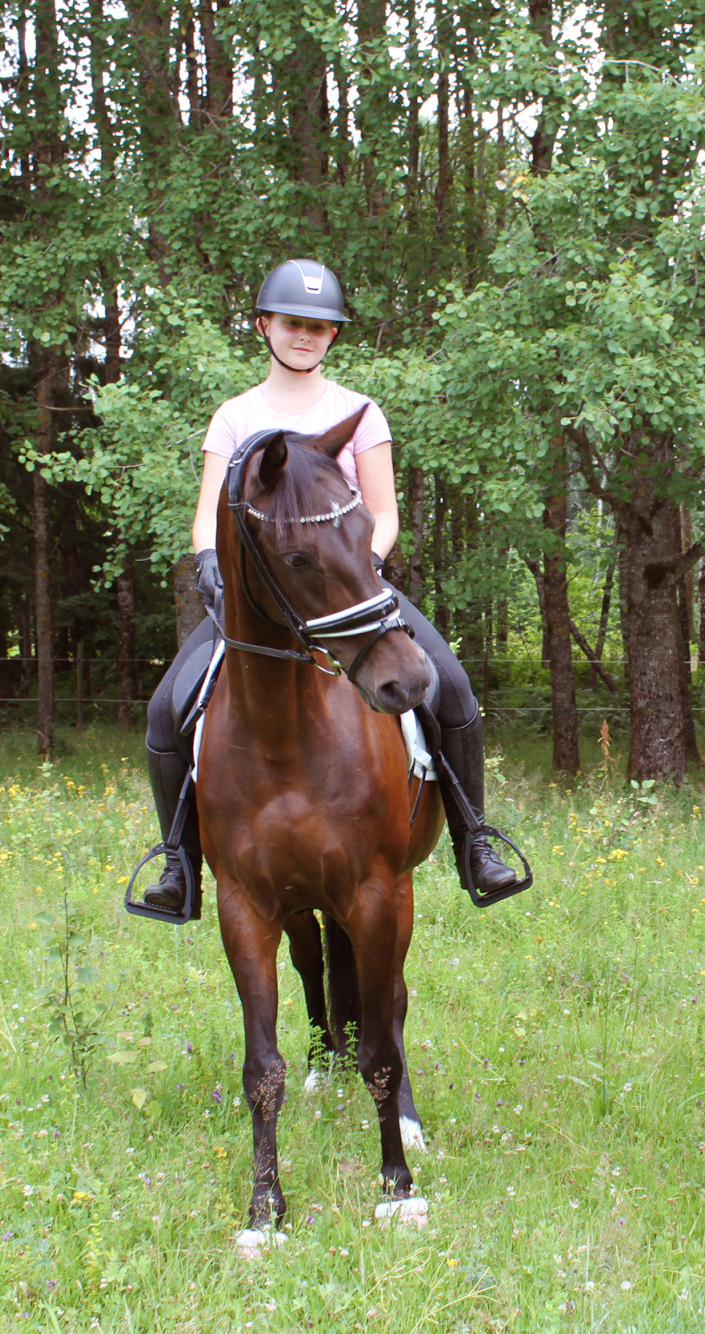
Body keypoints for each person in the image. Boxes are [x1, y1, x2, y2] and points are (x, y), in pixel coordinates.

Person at [138, 257, 525, 917]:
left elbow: (386, 511)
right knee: (165, 708)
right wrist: (208, 557)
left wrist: (358, 570)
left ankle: (475, 841)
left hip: (350, 590)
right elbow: (207, 512)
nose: (305, 336)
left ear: (333, 336)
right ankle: (180, 863)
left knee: (450, 686)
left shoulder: (358, 414)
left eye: (320, 326)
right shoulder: (234, 417)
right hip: (257, 599)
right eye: (293, 323)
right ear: (264, 325)